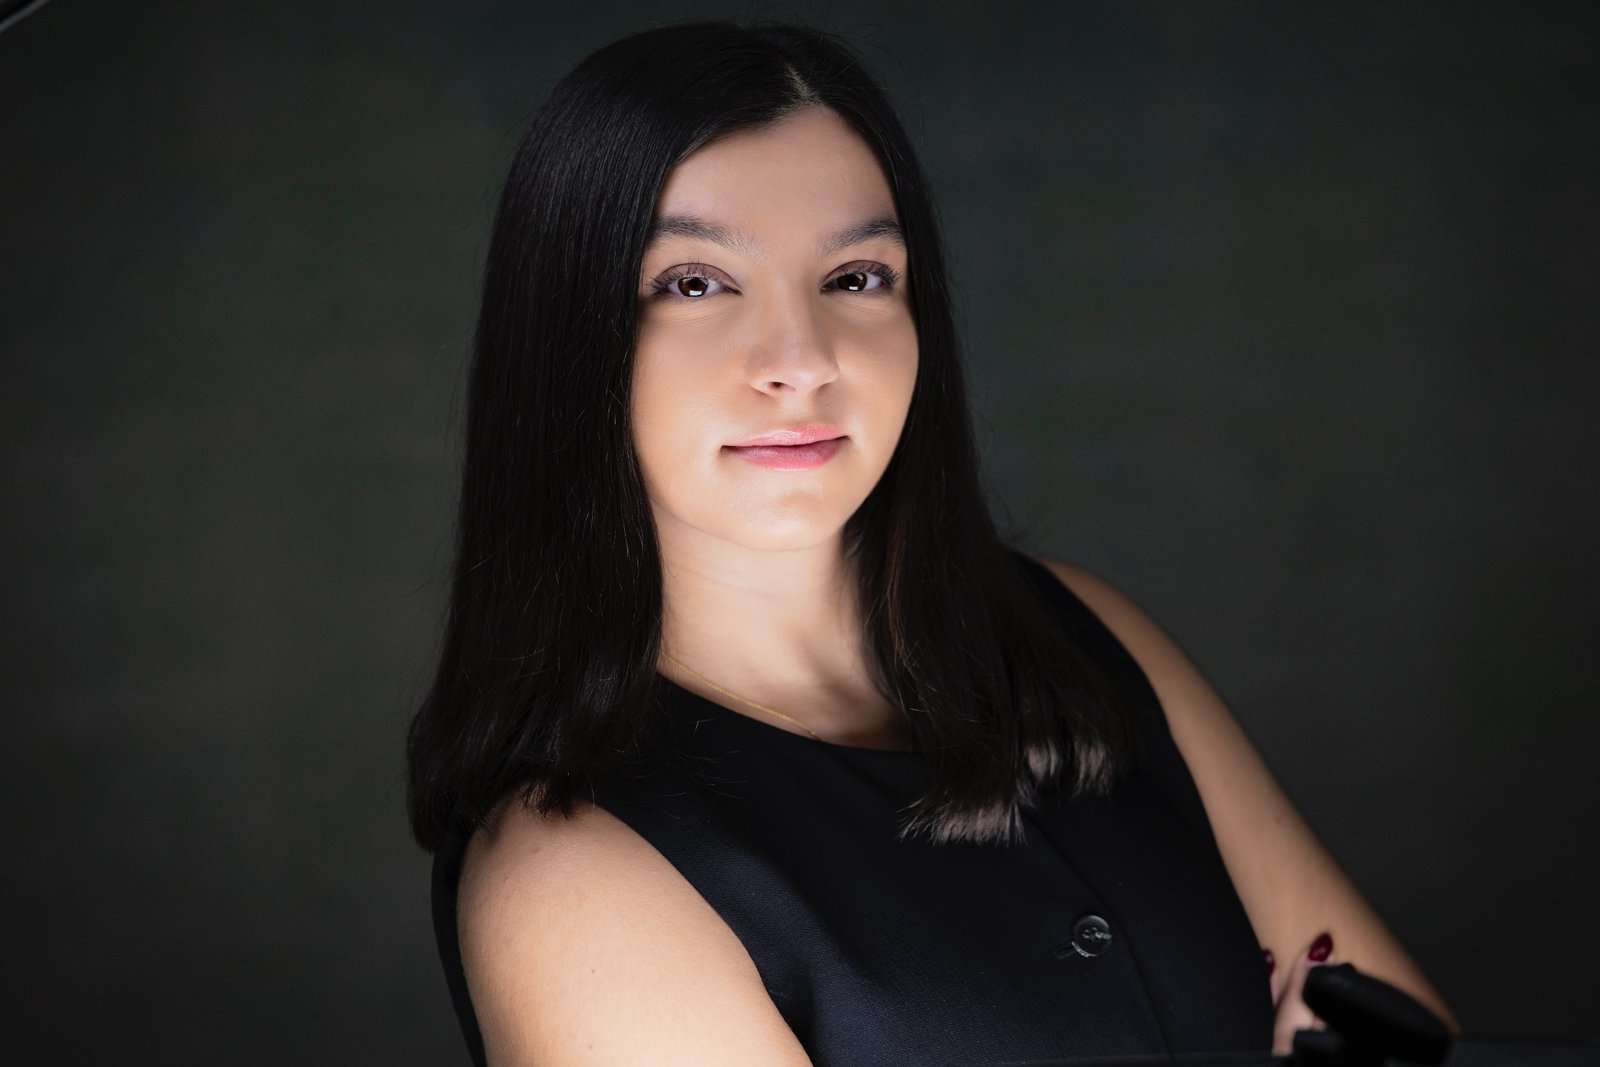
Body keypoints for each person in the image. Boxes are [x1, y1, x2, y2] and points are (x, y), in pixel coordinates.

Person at [405, 19, 1458, 1066]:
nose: (798, 359)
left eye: (856, 276)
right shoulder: (575, 872)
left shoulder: (1082, 636)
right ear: (569, 337)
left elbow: (1401, 1037)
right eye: (693, 282)